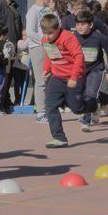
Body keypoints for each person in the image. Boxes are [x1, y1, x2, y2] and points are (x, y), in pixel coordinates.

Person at [40, 14, 85, 148]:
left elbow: (79, 57)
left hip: (73, 76)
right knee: (50, 105)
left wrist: (74, 77)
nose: (47, 37)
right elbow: (50, 55)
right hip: (57, 77)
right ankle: (59, 138)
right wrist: (46, 69)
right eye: (44, 33)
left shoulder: (68, 38)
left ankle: (97, 103)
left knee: (77, 108)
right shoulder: (45, 40)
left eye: (50, 33)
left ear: (58, 28)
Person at [73, 10, 108, 132]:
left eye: (83, 24)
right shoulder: (74, 36)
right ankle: (106, 98)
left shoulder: (99, 37)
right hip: (80, 70)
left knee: (90, 93)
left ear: (90, 25)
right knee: (79, 94)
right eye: (77, 24)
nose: (79, 27)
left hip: (96, 69)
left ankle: (86, 120)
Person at [25, 0, 52, 122]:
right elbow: (30, 32)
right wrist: (43, 39)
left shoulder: (48, 10)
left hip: (50, 46)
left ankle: (49, 107)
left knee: (50, 78)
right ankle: (41, 111)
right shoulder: (33, 11)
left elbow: (55, 23)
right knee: (41, 79)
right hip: (38, 47)